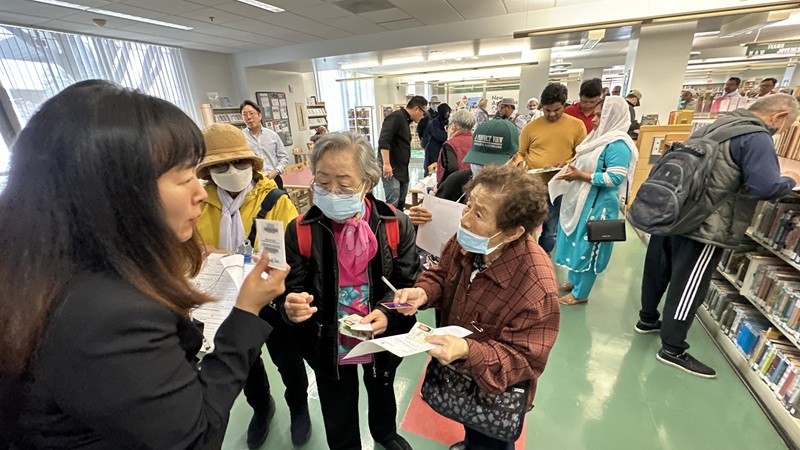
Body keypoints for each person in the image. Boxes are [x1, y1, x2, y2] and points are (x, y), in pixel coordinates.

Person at [0, 80, 290, 448]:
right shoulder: (110, 315)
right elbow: (194, 439)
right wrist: (246, 310)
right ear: (119, 192)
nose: (199, 193)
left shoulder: (35, 270)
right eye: (185, 177)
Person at [394, 165, 560, 450]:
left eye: (479, 214)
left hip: (496, 389)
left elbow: (524, 360)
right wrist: (423, 292)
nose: (465, 220)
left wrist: (467, 350)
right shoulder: (470, 242)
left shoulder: (536, 287)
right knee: (470, 422)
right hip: (461, 372)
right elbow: (442, 274)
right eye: (468, 206)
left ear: (512, 232)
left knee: (491, 437)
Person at [637, 93, 800, 378]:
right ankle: (672, 349)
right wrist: (790, 180)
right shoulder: (757, 137)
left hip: (674, 211)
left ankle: (647, 319)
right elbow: (765, 186)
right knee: (689, 284)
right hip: (706, 224)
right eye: (788, 125)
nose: (783, 130)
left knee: (658, 268)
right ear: (780, 116)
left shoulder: (717, 125)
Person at [280, 132, 420, 450]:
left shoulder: (394, 224)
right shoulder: (300, 230)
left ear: (367, 183)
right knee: (336, 403)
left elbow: (408, 285)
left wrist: (388, 313)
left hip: (381, 336)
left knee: (382, 389)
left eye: (344, 186)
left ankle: (384, 433)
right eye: (322, 182)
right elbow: (291, 288)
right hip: (328, 341)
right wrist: (291, 304)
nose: (331, 193)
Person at [195, 123, 310, 447]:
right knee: (244, 361)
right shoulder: (200, 203)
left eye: (239, 162)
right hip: (224, 299)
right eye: (221, 165)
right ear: (208, 171)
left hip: (272, 296)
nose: (232, 171)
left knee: (288, 359)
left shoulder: (276, 200)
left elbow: (290, 253)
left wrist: (231, 257)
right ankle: (262, 407)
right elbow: (190, 250)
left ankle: (299, 407)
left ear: (252, 163)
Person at [548, 96, 638, 305]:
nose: (594, 119)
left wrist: (580, 175)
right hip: (583, 201)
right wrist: (569, 166)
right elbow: (586, 162)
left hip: (599, 206)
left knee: (589, 248)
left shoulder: (618, 144)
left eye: (600, 115)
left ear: (613, 117)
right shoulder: (597, 139)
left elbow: (614, 178)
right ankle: (574, 281)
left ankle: (581, 293)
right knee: (576, 243)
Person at [410, 117, 520, 226]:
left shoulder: (521, 196)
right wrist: (420, 220)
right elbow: (432, 219)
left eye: (491, 164)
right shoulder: (455, 182)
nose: (482, 170)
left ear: (514, 159)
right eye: (477, 161)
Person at [517, 83, 587, 253]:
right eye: (547, 110)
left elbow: (582, 154)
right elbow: (520, 153)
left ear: (564, 105)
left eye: (557, 109)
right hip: (533, 184)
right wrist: (520, 164)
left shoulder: (576, 126)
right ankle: (527, 256)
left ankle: (544, 257)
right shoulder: (531, 127)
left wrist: (567, 163)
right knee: (526, 225)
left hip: (560, 184)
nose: (552, 114)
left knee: (550, 229)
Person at [378, 95, 428, 209]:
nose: (423, 116)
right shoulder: (396, 117)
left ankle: (400, 220)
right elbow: (384, 140)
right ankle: (391, 221)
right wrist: (386, 164)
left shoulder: (405, 120)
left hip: (402, 168)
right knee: (393, 202)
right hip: (392, 167)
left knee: (401, 201)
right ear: (416, 108)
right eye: (423, 112)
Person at [241, 100, 290, 189]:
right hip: (253, 183)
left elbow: (284, 157)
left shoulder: (272, 135)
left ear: (260, 115)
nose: (249, 117)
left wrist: (276, 171)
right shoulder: (240, 138)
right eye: (245, 114)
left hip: (274, 179)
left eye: (251, 113)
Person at [437, 108, 476, 185]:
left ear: (453, 126)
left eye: (448, 127)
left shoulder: (450, 144)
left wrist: (440, 186)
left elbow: (451, 170)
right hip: (474, 185)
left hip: (456, 187)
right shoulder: (476, 141)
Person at [424, 103, 452, 176]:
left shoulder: (447, 122)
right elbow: (438, 135)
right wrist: (450, 135)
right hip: (434, 149)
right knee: (433, 170)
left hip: (443, 148)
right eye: (447, 113)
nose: (448, 115)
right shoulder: (435, 122)